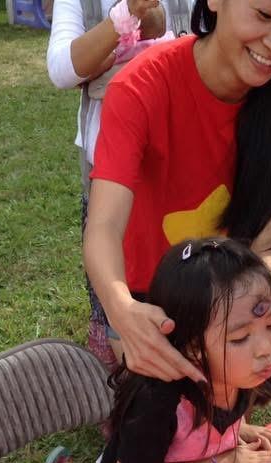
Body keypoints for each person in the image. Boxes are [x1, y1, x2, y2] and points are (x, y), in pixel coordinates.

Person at [82, 0, 271, 382]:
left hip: (229, 301)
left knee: (223, 414)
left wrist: (237, 305)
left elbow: (268, 247)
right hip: (144, 299)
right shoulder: (141, 86)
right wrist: (121, 309)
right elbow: (104, 225)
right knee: (161, 408)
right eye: (265, 15)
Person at [44, 238, 271, 463]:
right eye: (240, 338)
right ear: (193, 348)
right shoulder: (156, 400)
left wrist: (237, 428)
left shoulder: (239, 368)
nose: (265, 349)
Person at [46, 0, 191, 369]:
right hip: (110, 170)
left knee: (187, 274)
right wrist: (124, 16)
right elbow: (62, 69)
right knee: (115, 284)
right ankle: (117, 371)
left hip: (181, 160)